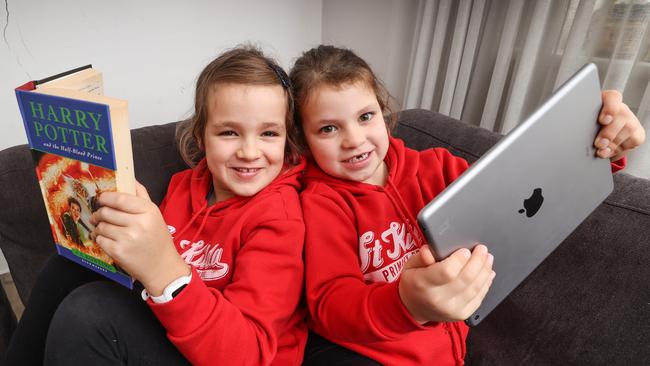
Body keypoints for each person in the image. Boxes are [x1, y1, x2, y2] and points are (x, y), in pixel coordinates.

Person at [289, 45, 646, 365]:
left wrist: (599, 147)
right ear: (304, 141)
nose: (353, 139)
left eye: (365, 117)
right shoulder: (321, 204)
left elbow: (517, 189)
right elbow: (330, 305)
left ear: (383, 114)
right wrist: (405, 304)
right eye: (328, 129)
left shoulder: (437, 167)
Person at [4, 46, 307, 366]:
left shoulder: (280, 220)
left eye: (269, 133)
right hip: (174, 332)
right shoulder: (184, 185)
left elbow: (247, 355)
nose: (249, 151)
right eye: (229, 132)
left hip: (232, 354)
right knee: (67, 266)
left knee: (89, 311)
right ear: (201, 137)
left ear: (287, 140)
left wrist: (165, 269)